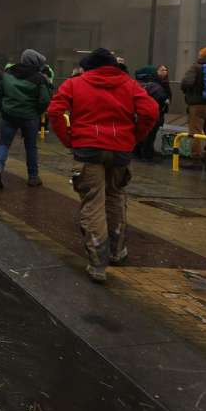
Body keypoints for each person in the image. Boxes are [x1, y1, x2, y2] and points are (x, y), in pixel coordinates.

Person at [48, 48, 158, 283]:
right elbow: (151, 111)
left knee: (93, 201)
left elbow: (55, 111)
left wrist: (69, 139)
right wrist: (134, 137)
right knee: (116, 197)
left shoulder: (75, 83)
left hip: (88, 149)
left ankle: (98, 261)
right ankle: (118, 251)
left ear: (89, 66)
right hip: (120, 150)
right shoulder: (129, 84)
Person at [0, 49, 52, 189]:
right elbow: (45, 99)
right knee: (31, 146)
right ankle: (33, 177)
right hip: (30, 117)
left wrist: (3, 109)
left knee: (4, 144)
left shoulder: (8, 73)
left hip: (9, 115)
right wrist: (37, 111)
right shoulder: (39, 78)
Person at [133, 65, 170, 161]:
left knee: (142, 134)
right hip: (153, 114)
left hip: (139, 114)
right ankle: (147, 154)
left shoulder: (135, 84)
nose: (165, 72)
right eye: (162, 70)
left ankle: (138, 153)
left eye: (166, 70)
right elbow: (163, 98)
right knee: (150, 135)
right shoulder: (155, 86)